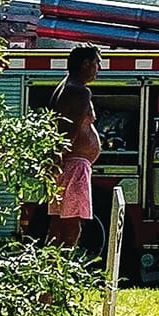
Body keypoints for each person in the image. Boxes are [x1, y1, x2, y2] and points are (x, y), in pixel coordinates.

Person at [44, 44, 101, 250]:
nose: (98, 68)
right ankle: (63, 269)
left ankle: (49, 268)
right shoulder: (79, 92)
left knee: (57, 223)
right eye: (97, 63)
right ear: (86, 64)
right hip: (73, 166)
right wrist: (58, 159)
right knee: (72, 225)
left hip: (64, 165)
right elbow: (68, 132)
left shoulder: (64, 86)